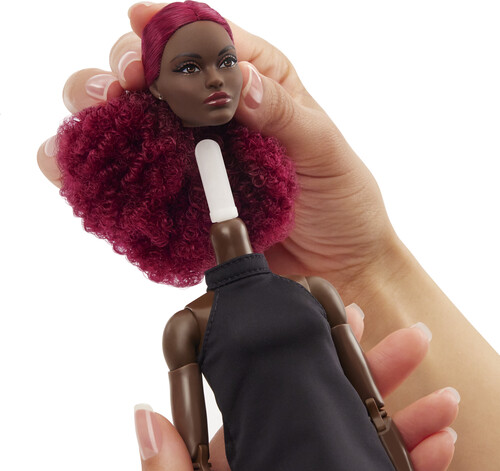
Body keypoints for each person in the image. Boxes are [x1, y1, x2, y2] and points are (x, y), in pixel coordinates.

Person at [36, 2, 499, 470]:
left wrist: (388, 444)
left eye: (227, 61)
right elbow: (197, 448)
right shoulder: (194, 325)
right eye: (189, 67)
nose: (215, 79)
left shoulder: (309, 292)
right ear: (154, 87)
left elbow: (373, 406)